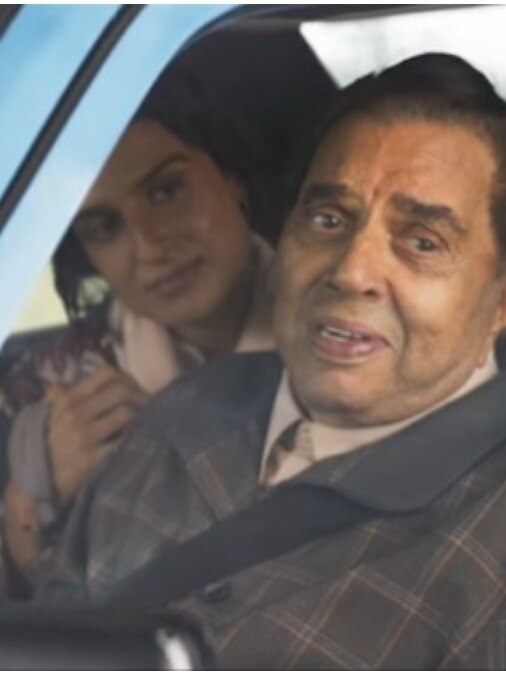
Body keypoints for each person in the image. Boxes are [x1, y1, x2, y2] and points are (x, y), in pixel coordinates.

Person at [37, 53, 506, 668]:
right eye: (328, 219)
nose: (351, 271)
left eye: (422, 242)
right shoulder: (182, 409)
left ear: (499, 301)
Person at [1, 75, 276, 588]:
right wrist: (35, 498)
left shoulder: (351, 345)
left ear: (230, 175)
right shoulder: (39, 386)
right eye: (104, 227)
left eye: (166, 191)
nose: (151, 246)